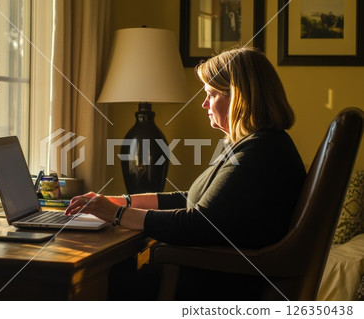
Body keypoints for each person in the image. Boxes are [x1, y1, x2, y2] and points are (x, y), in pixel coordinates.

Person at [65, 47, 306, 250]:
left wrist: (116, 215)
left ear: (238, 97)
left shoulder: (260, 153)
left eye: (211, 95)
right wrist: (119, 202)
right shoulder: (257, 144)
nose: (204, 104)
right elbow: (192, 200)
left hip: (219, 276)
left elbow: (196, 224)